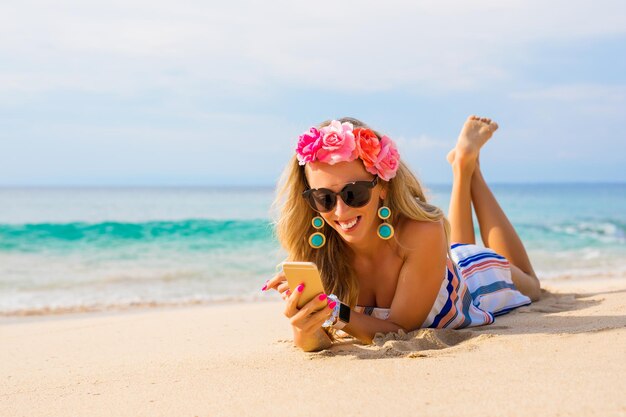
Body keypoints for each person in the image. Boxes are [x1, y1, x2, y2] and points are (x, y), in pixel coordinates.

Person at [263, 116, 541, 352]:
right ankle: (463, 165)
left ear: (382, 186)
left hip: (475, 279)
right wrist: (305, 322)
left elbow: (399, 330)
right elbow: (316, 342)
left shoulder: (423, 232)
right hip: (439, 262)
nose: (340, 210)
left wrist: (334, 312)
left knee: (532, 285)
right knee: (455, 244)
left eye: (354, 193)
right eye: (324, 197)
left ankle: (467, 167)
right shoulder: (318, 251)